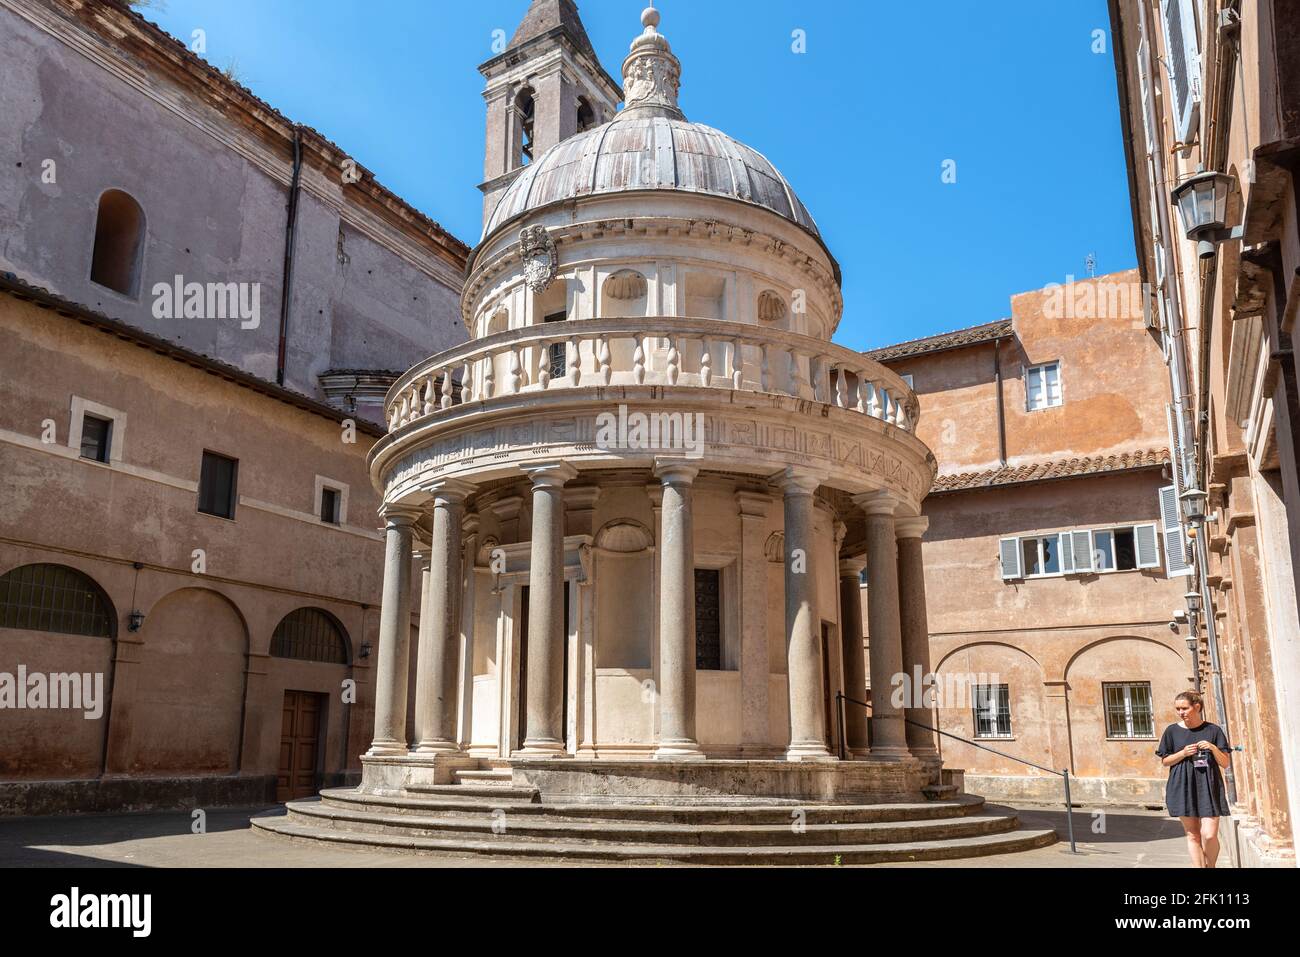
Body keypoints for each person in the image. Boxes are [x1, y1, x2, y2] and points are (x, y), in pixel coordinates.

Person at [1155, 690, 1231, 867]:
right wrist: (1182, 753)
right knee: (1193, 835)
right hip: (1182, 786)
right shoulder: (1172, 731)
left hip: (1208, 786)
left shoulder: (1213, 730)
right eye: (1178, 709)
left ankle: (1210, 865)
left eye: (1185, 708)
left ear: (1197, 707)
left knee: (1209, 834)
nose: (1181, 712)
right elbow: (1165, 761)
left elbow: (1225, 763)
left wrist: (1213, 748)